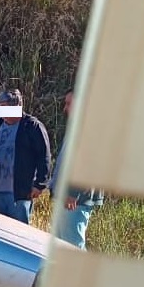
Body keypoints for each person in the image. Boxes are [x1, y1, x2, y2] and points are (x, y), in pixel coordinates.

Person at [0, 89, 51, 224]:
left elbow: (44, 156)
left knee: (19, 233)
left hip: (19, 195)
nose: (0, 111)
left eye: (4, 107)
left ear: (16, 106)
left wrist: (39, 184)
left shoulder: (32, 126)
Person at [49, 89, 104, 249]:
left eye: (68, 104)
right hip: (67, 196)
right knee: (61, 244)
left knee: (72, 246)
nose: (65, 108)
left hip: (75, 199)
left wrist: (73, 193)